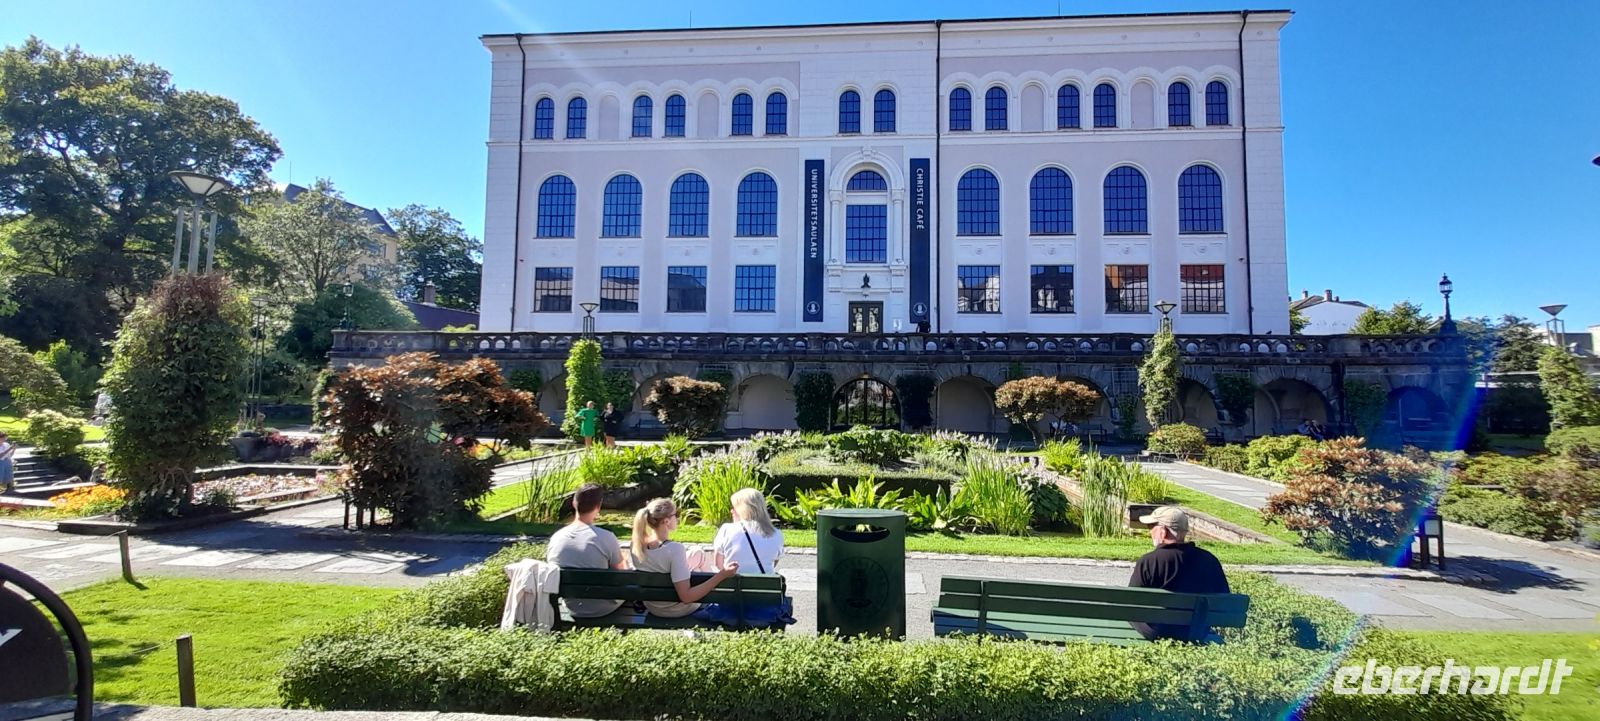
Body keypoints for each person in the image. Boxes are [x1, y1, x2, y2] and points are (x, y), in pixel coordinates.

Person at [1128, 506, 1231, 642]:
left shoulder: (1149, 561)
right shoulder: (1209, 560)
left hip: (1156, 632)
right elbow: (1224, 600)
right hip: (1195, 632)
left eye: (1152, 526)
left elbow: (1131, 601)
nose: (1150, 531)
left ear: (1163, 531)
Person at [630, 498, 739, 618]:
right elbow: (686, 597)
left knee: (697, 554)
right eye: (675, 515)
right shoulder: (674, 549)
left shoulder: (636, 545)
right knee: (698, 571)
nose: (677, 518)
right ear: (666, 521)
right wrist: (722, 574)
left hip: (653, 606)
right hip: (675, 609)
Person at [546, 482, 627, 618]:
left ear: (574, 503)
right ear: (598, 507)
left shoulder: (556, 538)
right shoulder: (606, 537)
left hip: (572, 606)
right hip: (604, 607)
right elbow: (620, 574)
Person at [713, 488, 784, 574]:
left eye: (734, 507)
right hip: (765, 585)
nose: (731, 511)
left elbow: (718, 564)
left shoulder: (726, 530)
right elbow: (774, 563)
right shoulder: (776, 533)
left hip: (733, 584)